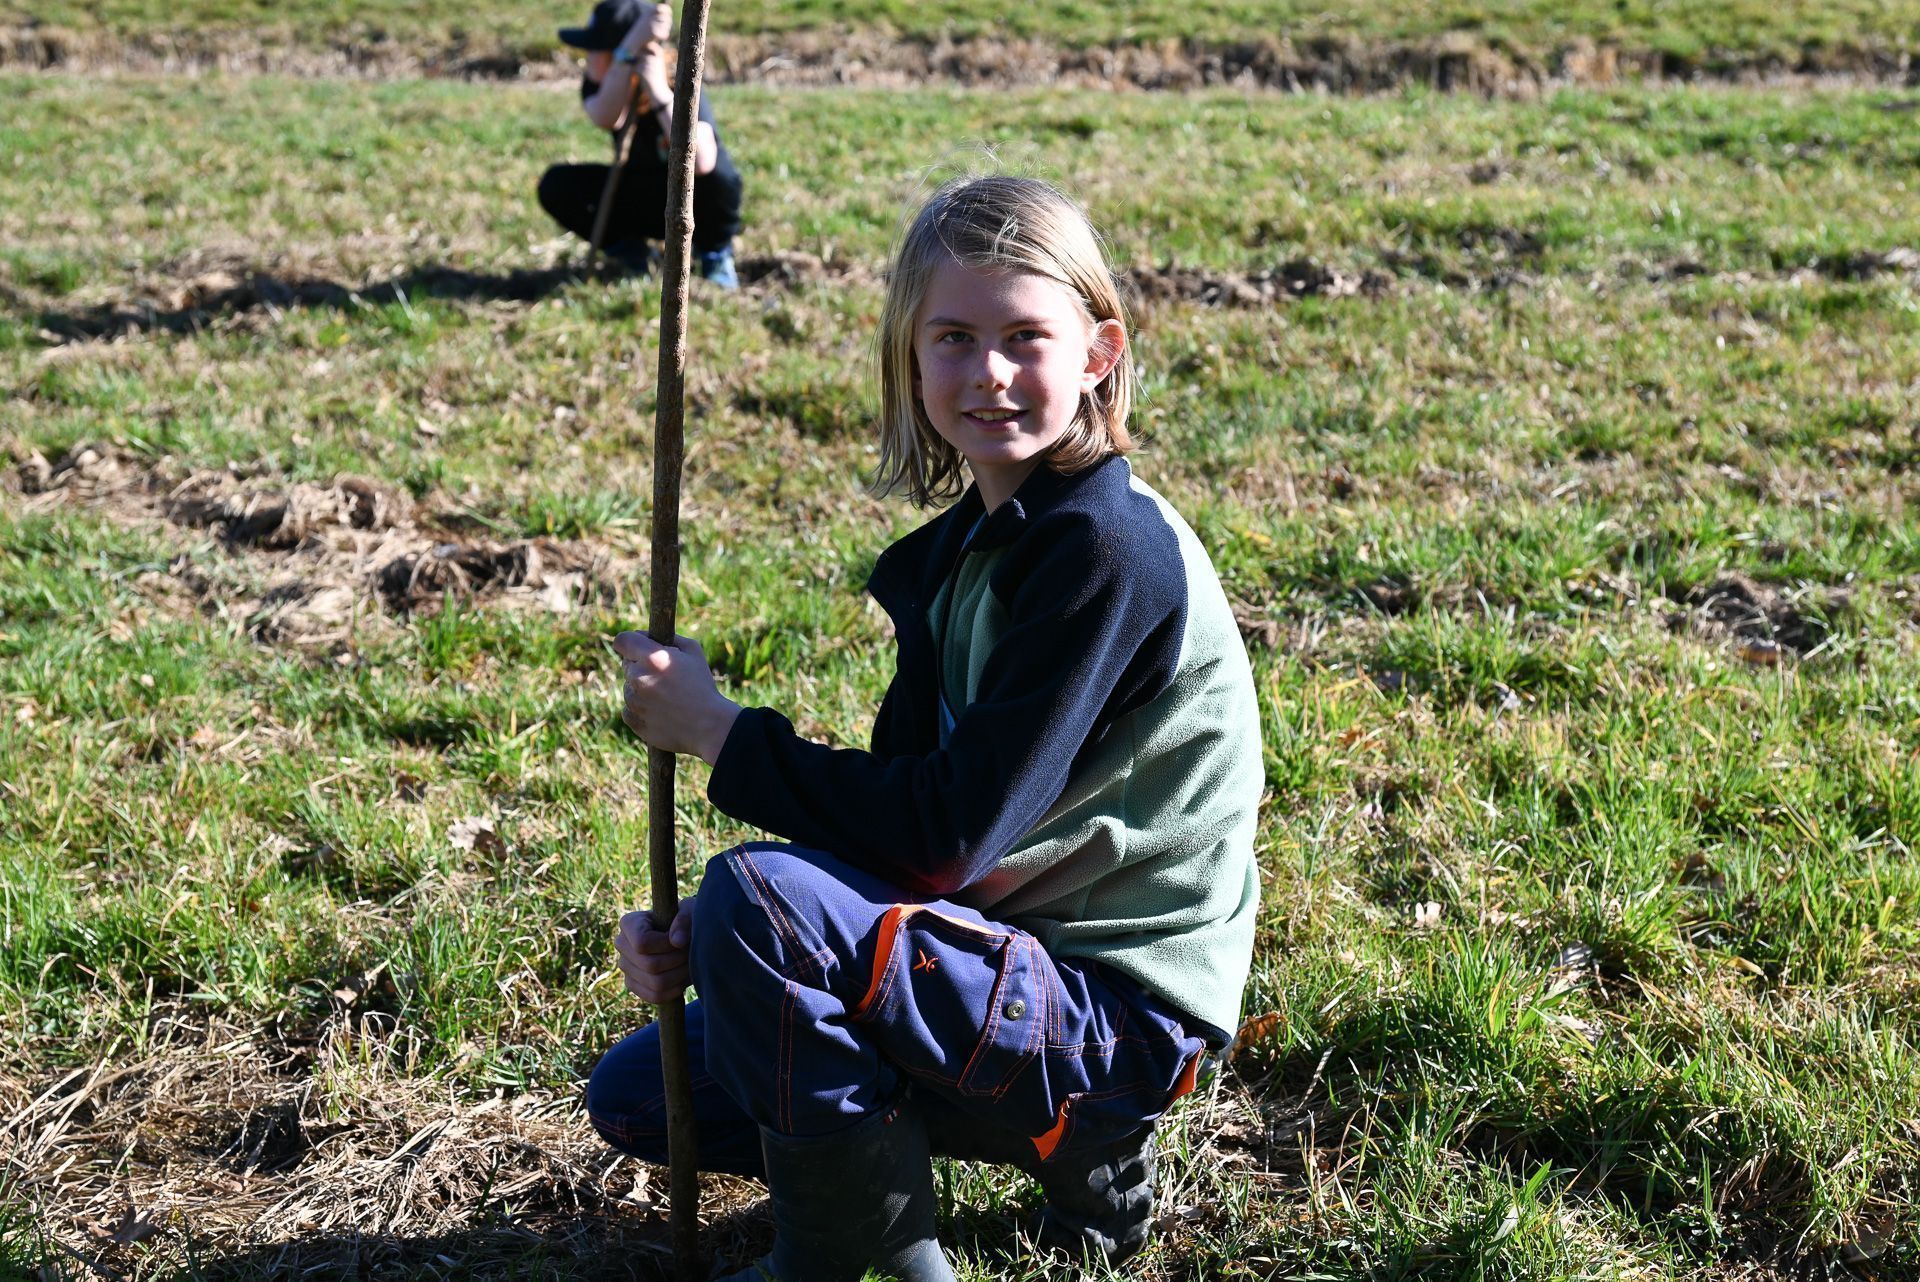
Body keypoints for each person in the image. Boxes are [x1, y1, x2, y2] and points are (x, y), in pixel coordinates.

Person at [596, 176, 1264, 1280]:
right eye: (953, 337)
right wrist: (704, 945)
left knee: (760, 896)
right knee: (646, 1089)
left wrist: (721, 734)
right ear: (910, 356)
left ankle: (860, 1253)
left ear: (1098, 352)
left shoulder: (1102, 552)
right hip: (1008, 976)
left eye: (1024, 337)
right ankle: (1070, 1152)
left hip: (1118, 1014)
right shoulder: (965, 555)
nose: (988, 372)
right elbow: (896, 829)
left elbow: (943, 838)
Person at [540, 0, 744, 287]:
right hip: (648, 195)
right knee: (557, 185)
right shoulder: (607, 84)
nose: (589, 56)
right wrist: (627, 56)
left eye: (596, 48)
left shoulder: (680, 81)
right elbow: (604, 116)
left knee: (719, 179)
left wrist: (659, 93)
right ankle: (631, 253)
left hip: (698, 201)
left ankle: (713, 254)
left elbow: (701, 161)